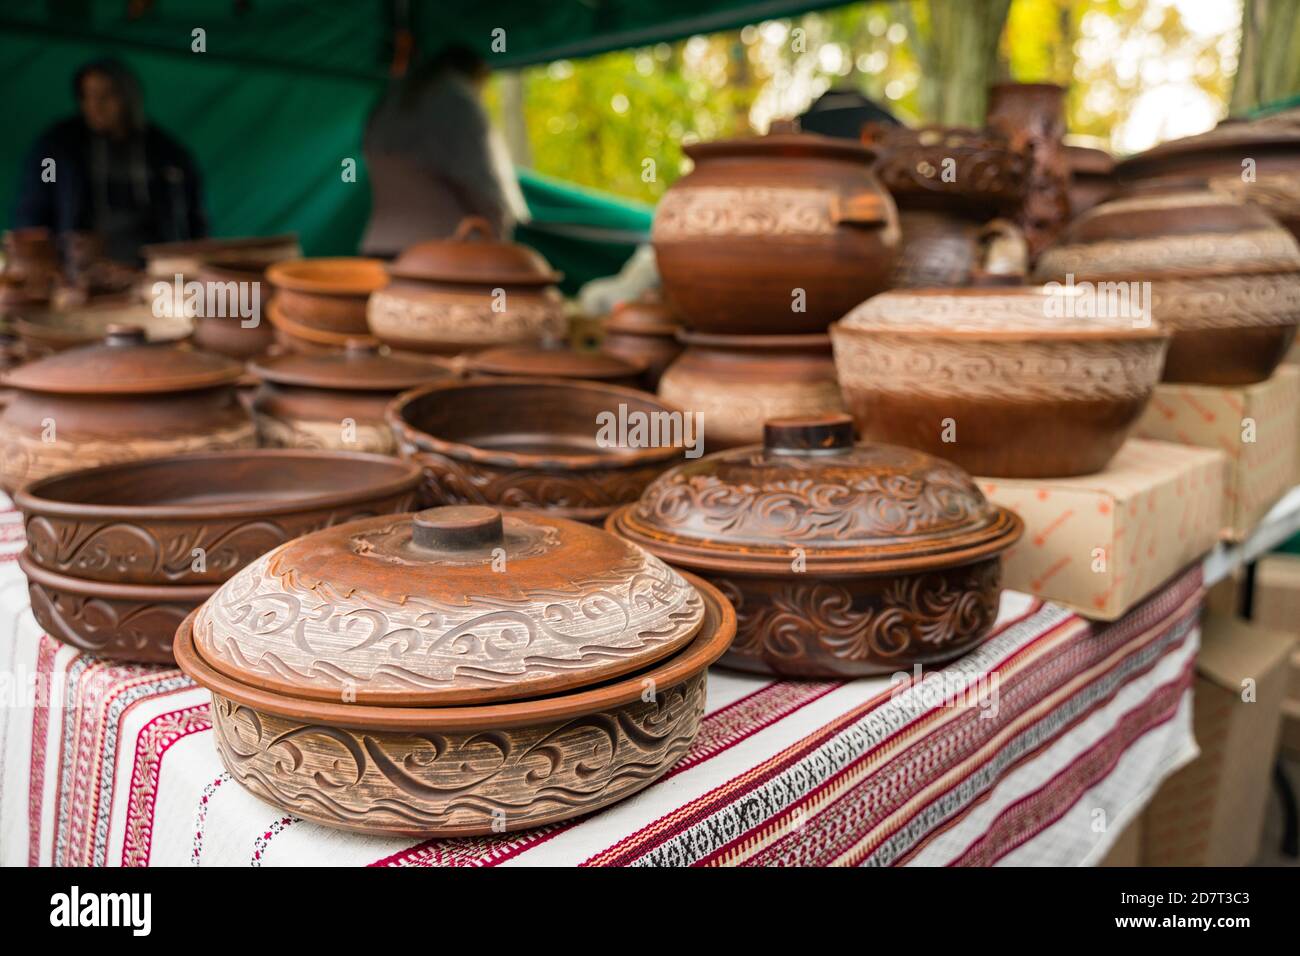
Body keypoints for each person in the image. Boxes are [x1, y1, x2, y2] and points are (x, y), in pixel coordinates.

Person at [12, 58, 207, 264]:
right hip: (81, 268)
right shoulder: (57, 148)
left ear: (129, 97)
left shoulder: (167, 153)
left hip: (153, 266)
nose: (95, 105)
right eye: (88, 96)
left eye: (106, 96)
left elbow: (194, 218)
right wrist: (56, 250)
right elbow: (32, 212)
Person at [362, 44, 528, 256]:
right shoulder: (457, 100)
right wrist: (499, 237)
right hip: (446, 252)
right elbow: (484, 184)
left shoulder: (390, 102)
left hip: (380, 245)